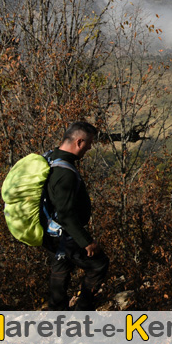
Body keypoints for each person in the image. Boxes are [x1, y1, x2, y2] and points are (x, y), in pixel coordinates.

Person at [41, 121, 109, 311]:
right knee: (98, 264)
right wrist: (86, 241)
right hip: (65, 233)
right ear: (79, 142)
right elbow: (65, 213)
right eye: (88, 143)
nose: (89, 148)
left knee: (60, 269)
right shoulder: (65, 173)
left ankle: (57, 316)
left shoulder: (50, 158)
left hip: (51, 232)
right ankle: (82, 312)